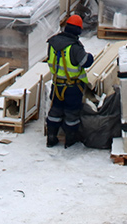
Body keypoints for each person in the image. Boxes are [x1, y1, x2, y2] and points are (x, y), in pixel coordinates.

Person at [45, 14, 93, 148]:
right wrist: (90, 57)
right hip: (72, 87)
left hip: (57, 85)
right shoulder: (75, 47)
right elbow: (85, 62)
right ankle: (70, 139)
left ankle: (51, 137)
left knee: (55, 110)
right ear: (78, 30)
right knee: (72, 113)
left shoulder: (53, 43)